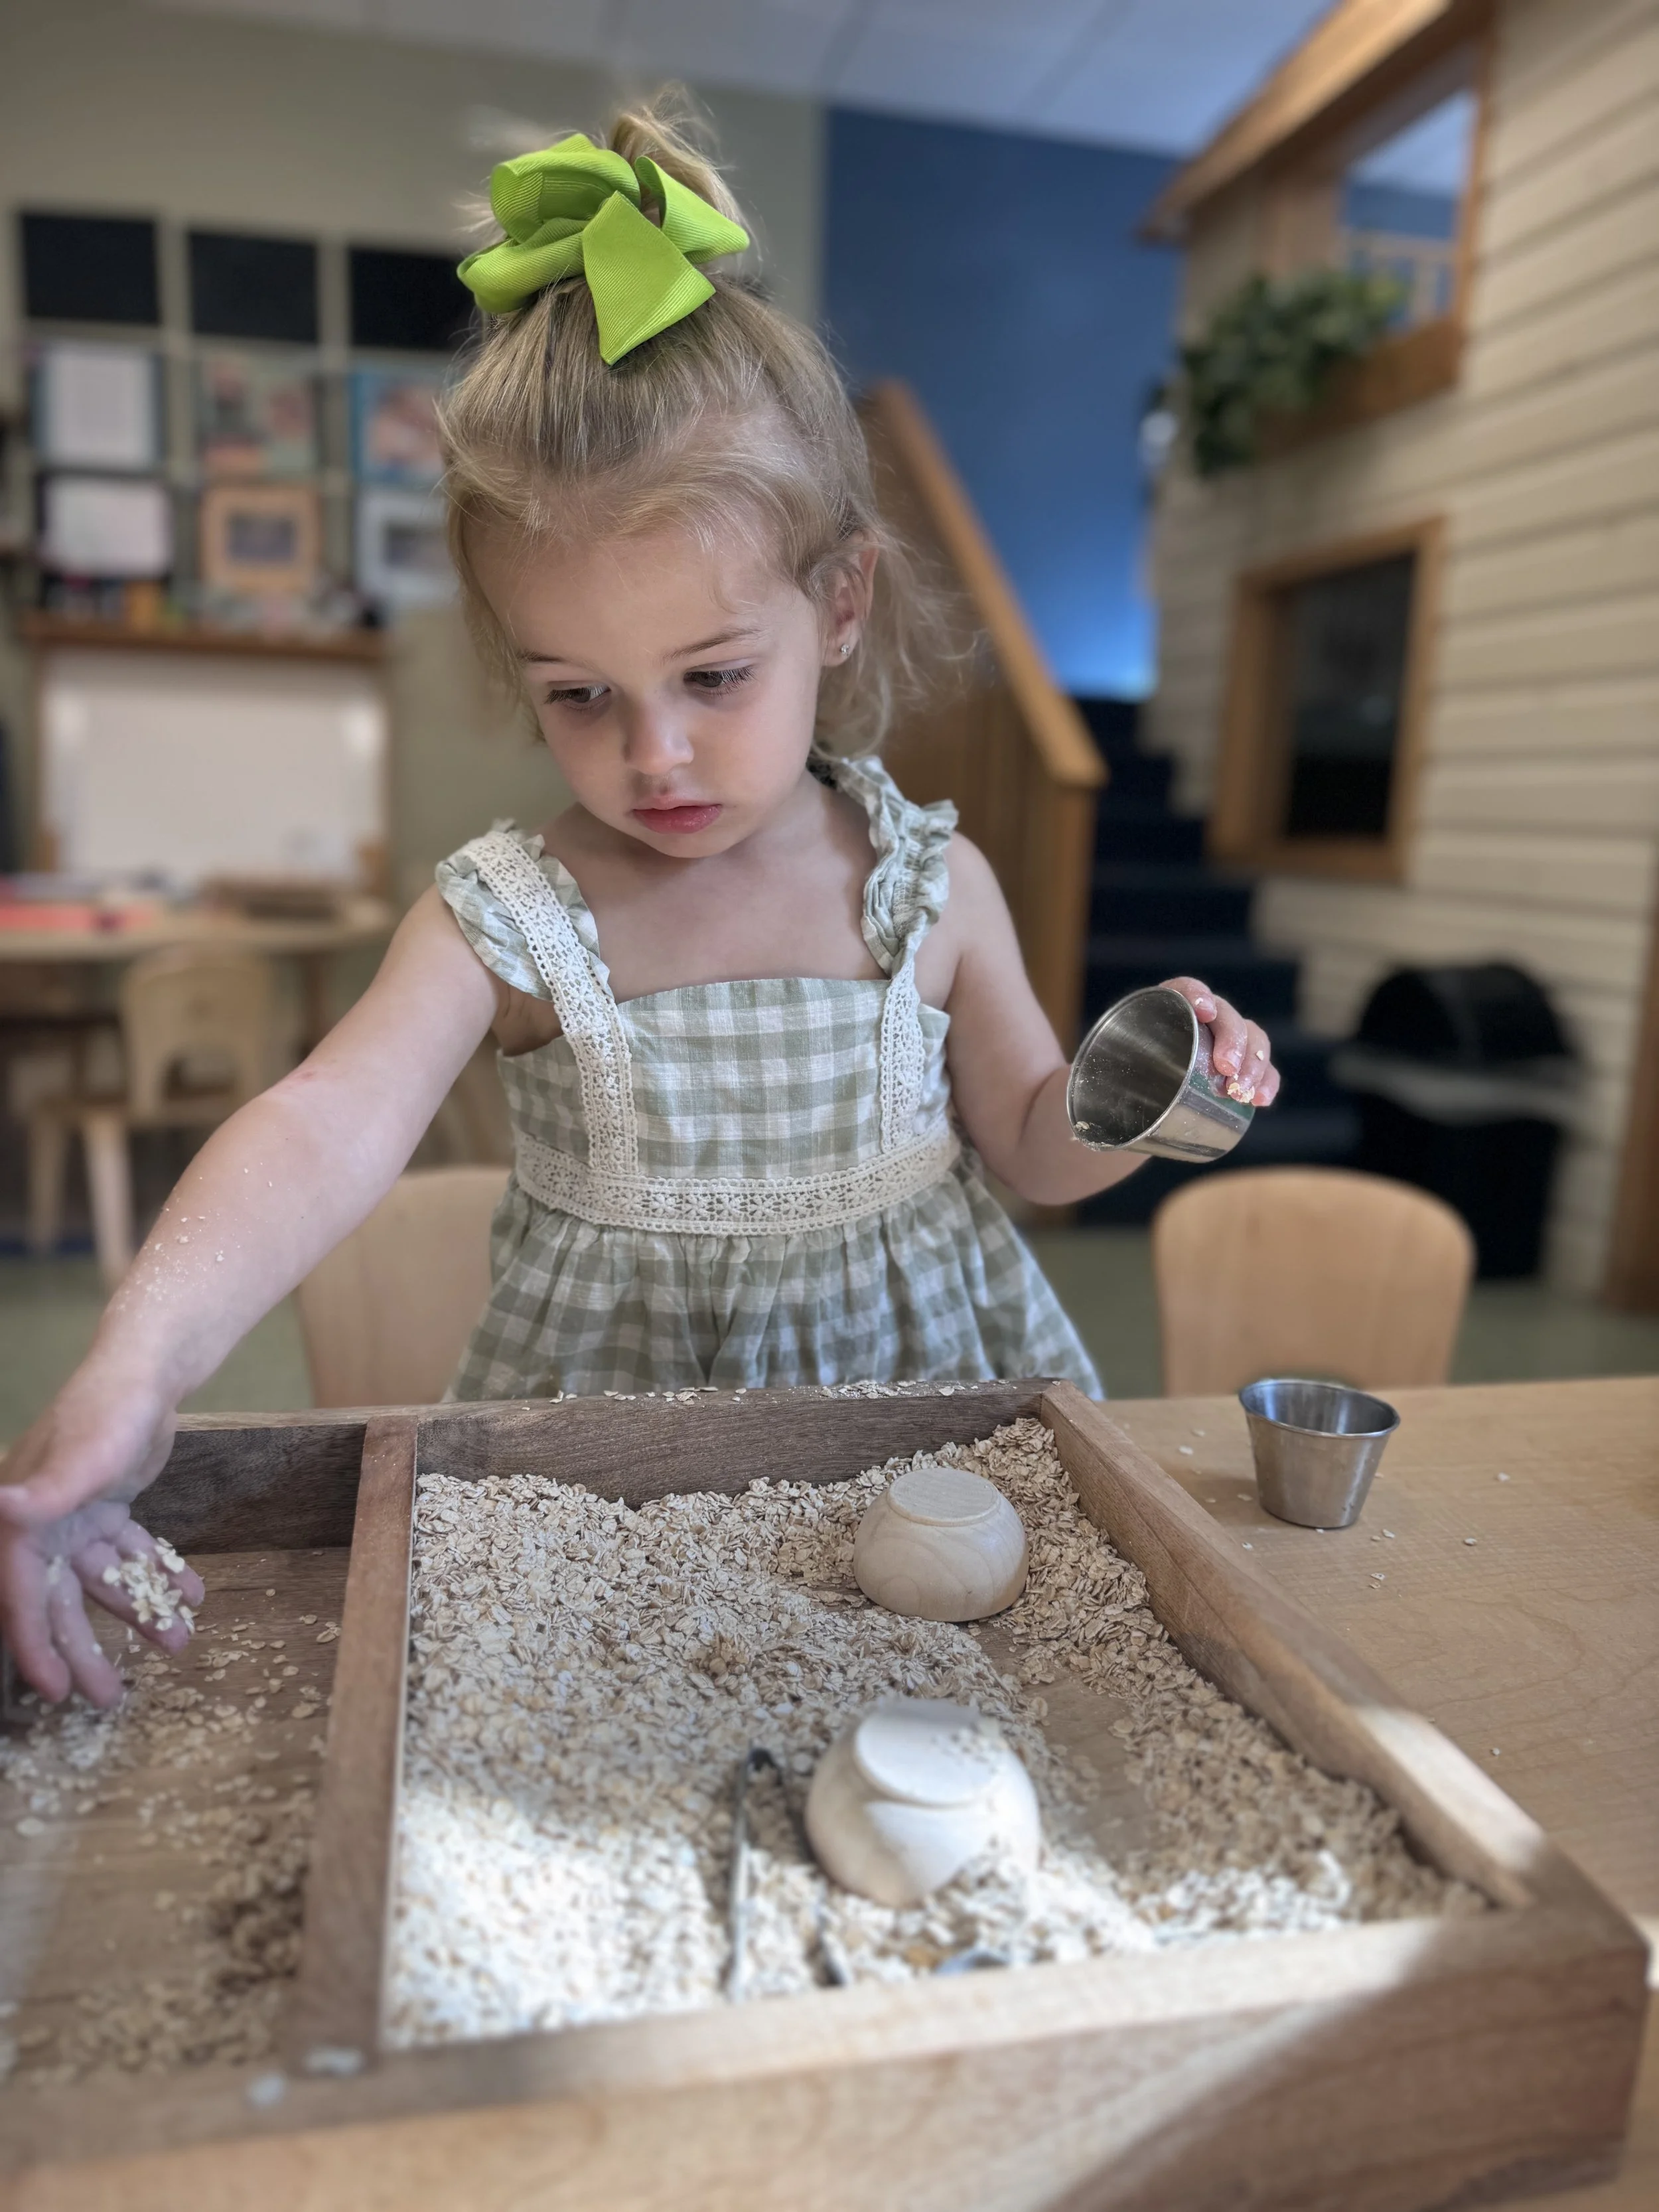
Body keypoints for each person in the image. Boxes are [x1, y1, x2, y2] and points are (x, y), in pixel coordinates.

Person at [0, 106, 1279, 1708]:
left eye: (712, 677)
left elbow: (1031, 1142)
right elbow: (324, 1119)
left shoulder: (929, 886)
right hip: (614, 1510)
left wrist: (1143, 1094)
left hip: (919, 1471)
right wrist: (139, 1361)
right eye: (578, 693)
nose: (652, 752)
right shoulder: (511, 918)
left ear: (839, 600)